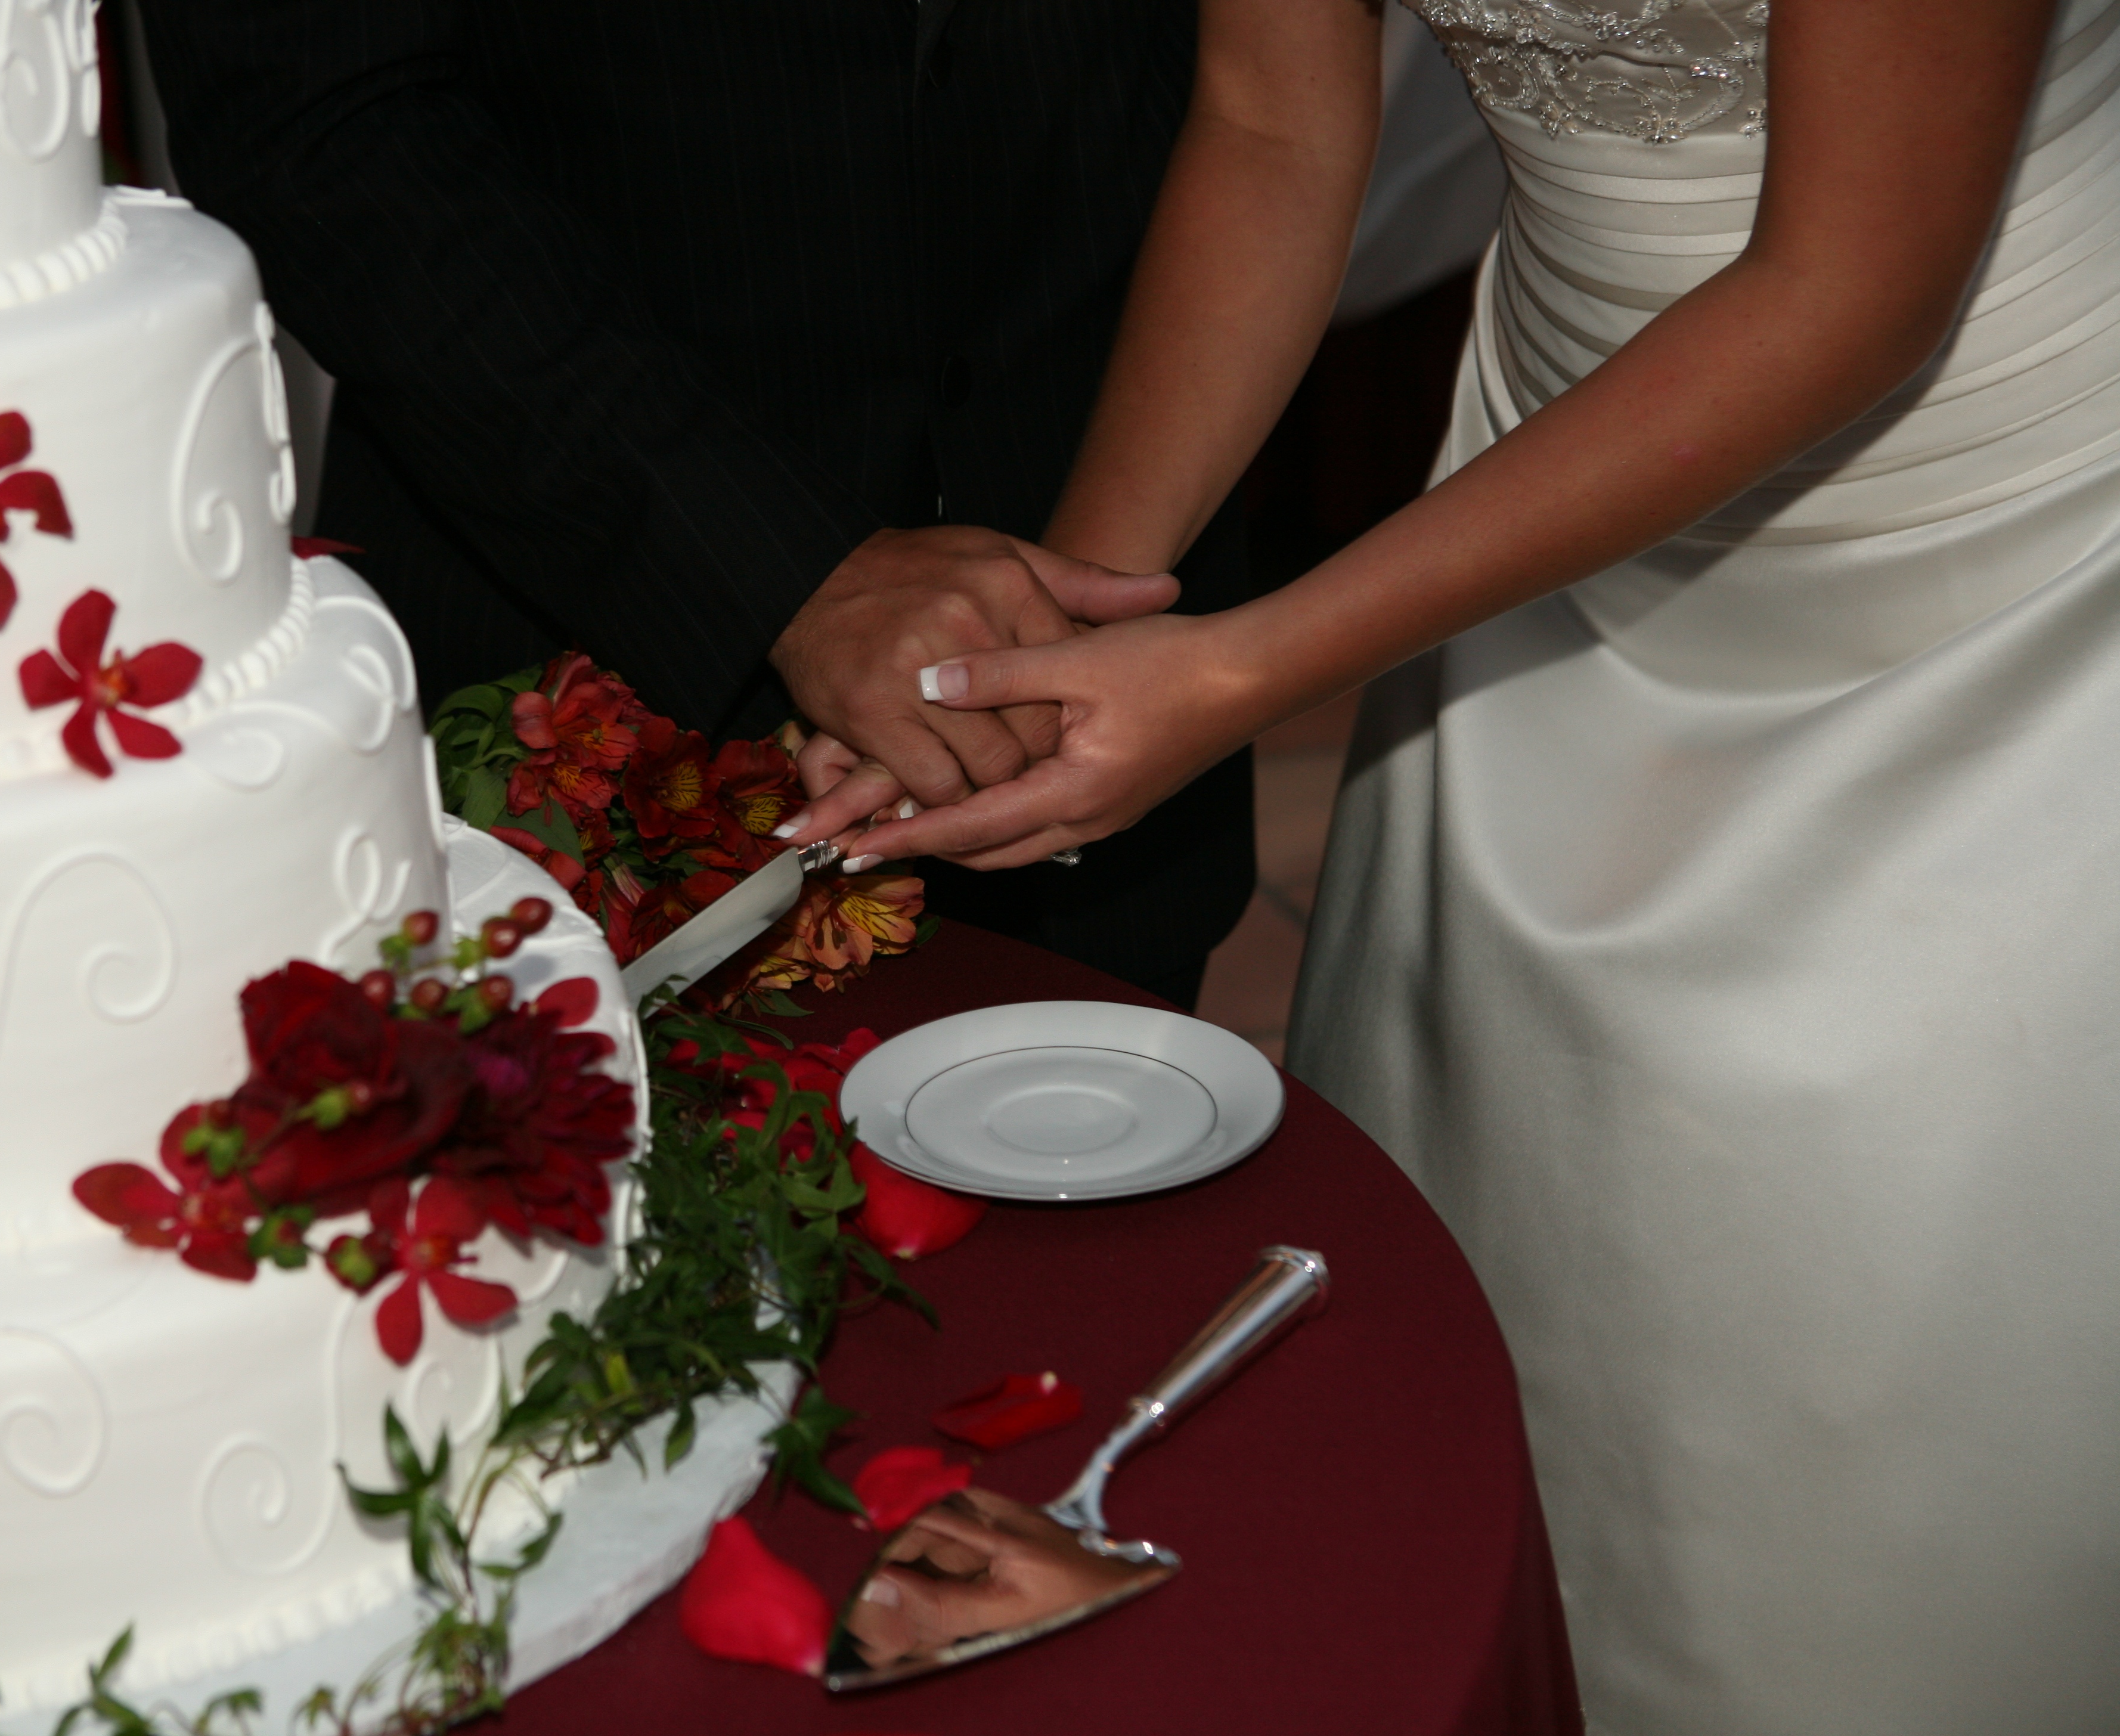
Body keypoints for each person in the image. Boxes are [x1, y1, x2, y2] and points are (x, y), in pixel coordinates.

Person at [808, 0, 2120, 1728]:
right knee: (1535, 1215)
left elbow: (1854, 286)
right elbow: (1274, 126)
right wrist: (1055, 636)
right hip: (1555, 483)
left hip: (1995, 516)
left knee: (1876, 1283)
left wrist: (1253, 667)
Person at [126, 0, 1262, 1008]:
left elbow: (1270, 110)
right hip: (569, 666)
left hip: (1121, 660)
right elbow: (311, 111)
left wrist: (1065, 630)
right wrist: (783, 569)